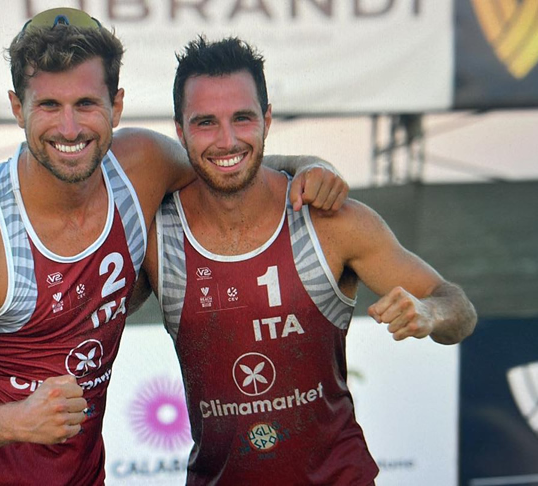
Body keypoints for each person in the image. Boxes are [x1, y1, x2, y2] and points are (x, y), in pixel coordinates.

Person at [0, 8, 349, 486]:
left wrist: (312, 165)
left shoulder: (141, 166)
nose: (69, 128)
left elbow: (225, 163)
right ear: (18, 109)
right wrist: (16, 420)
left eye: (86, 104)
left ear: (116, 106)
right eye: (48, 106)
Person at [132, 36, 478, 485]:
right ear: (180, 133)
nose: (227, 138)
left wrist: (430, 312)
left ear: (267, 119)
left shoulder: (330, 221)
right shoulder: (158, 236)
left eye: (243, 118)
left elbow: (459, 309)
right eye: (205, 123)